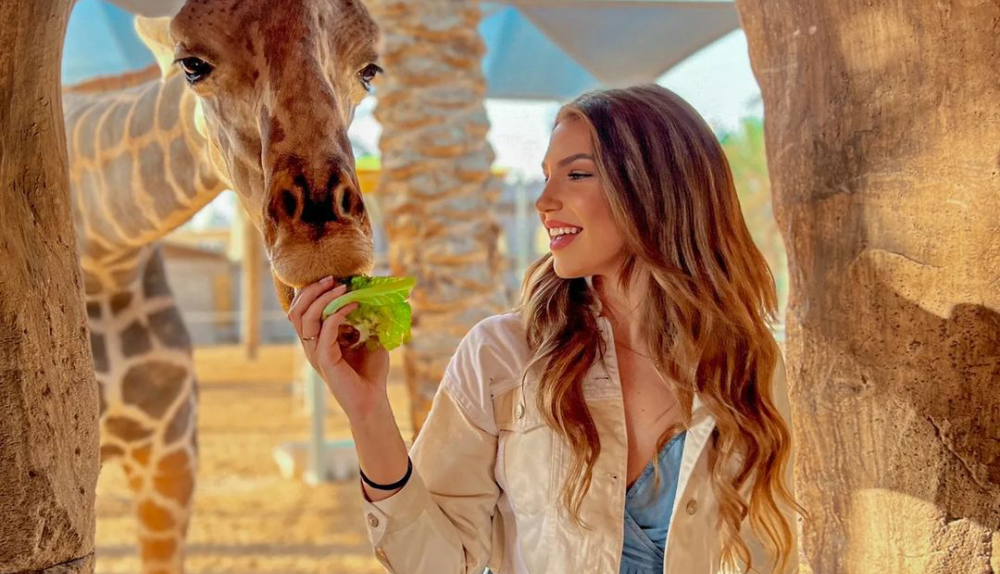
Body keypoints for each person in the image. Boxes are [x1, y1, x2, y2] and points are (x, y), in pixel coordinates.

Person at [288, 84, 805, 574]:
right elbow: (437, 562)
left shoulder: (760, 371)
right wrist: (368, 412)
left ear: (656, 189)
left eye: (576, 175)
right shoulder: (503, 356)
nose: (544, 200)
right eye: (546, 174)